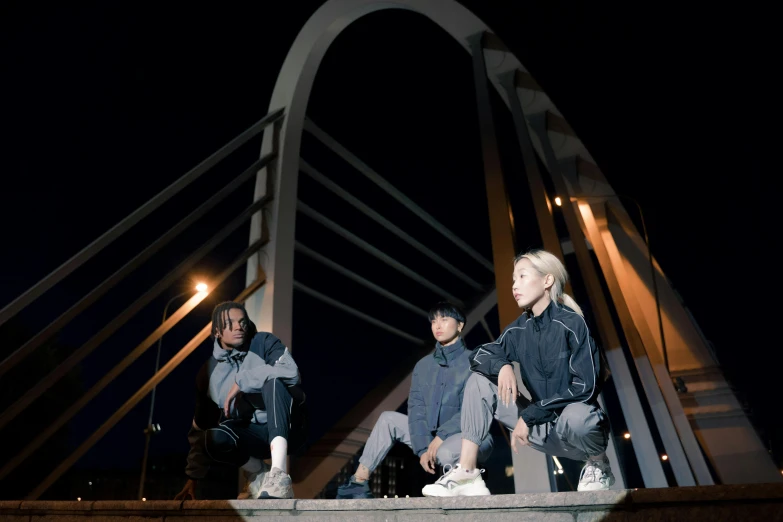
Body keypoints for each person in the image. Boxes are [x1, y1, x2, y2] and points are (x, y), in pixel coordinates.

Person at [422, 249, 614, 497]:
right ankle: (467, 473)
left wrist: (531, 414)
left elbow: (584, 388)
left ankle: (599, 464)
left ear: (547, 281)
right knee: (480, 381)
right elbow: (479, 356)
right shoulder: (519, 329)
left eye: (522, 277)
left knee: (577, 414)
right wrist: (503, 365)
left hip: (578, 431)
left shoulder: (573, 324)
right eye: (513, 279)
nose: (514, 285)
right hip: (543, 430)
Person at [336, 301, 493, 499]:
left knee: (444, 452)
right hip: (433, 438)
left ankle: (464, 482)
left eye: (444, 319)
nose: (438, 326)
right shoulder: (423, 365)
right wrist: (422, 448)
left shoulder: (474, 361)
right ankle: (358, 483)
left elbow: (474, 411)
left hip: (470, 437)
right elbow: (416, 409)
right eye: (434, 321)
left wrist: (441, 436)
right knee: (388, 419)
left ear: (460, 325)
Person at [174, 301, 306, 500]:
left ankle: (279, 476)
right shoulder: (208, 373)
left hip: (290, 428)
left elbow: (291, 372)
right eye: (230, 323)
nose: (238, 327)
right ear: (217, 331)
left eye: (242, 322)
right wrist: (193, 478)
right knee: (213, 437)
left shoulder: (263, 342)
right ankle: (260, 473)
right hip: (252, 436)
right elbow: (201, 426)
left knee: (274, 382)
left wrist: (242, 381)